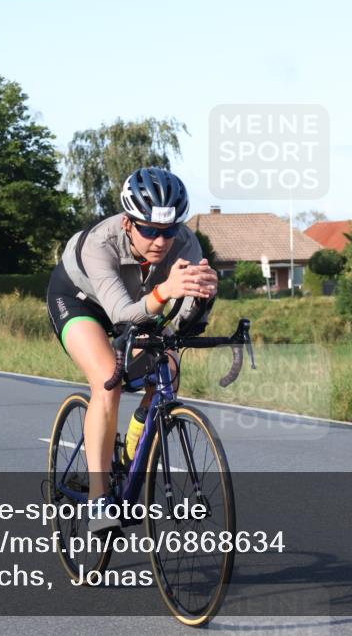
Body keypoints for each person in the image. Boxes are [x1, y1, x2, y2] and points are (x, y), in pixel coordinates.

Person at [46, 167, 218, 533]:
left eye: (169, 231)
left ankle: (130, 452)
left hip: (142, 305)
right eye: (150, 231)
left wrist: (203, 299)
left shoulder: (187, 244)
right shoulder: (100, 243)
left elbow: (181, 321)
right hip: (80, 302)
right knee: (107, 380)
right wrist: (165, 291)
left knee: (168, 370)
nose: (161, 241)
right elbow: (123, 315)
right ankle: (99, 499)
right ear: (128, 223)